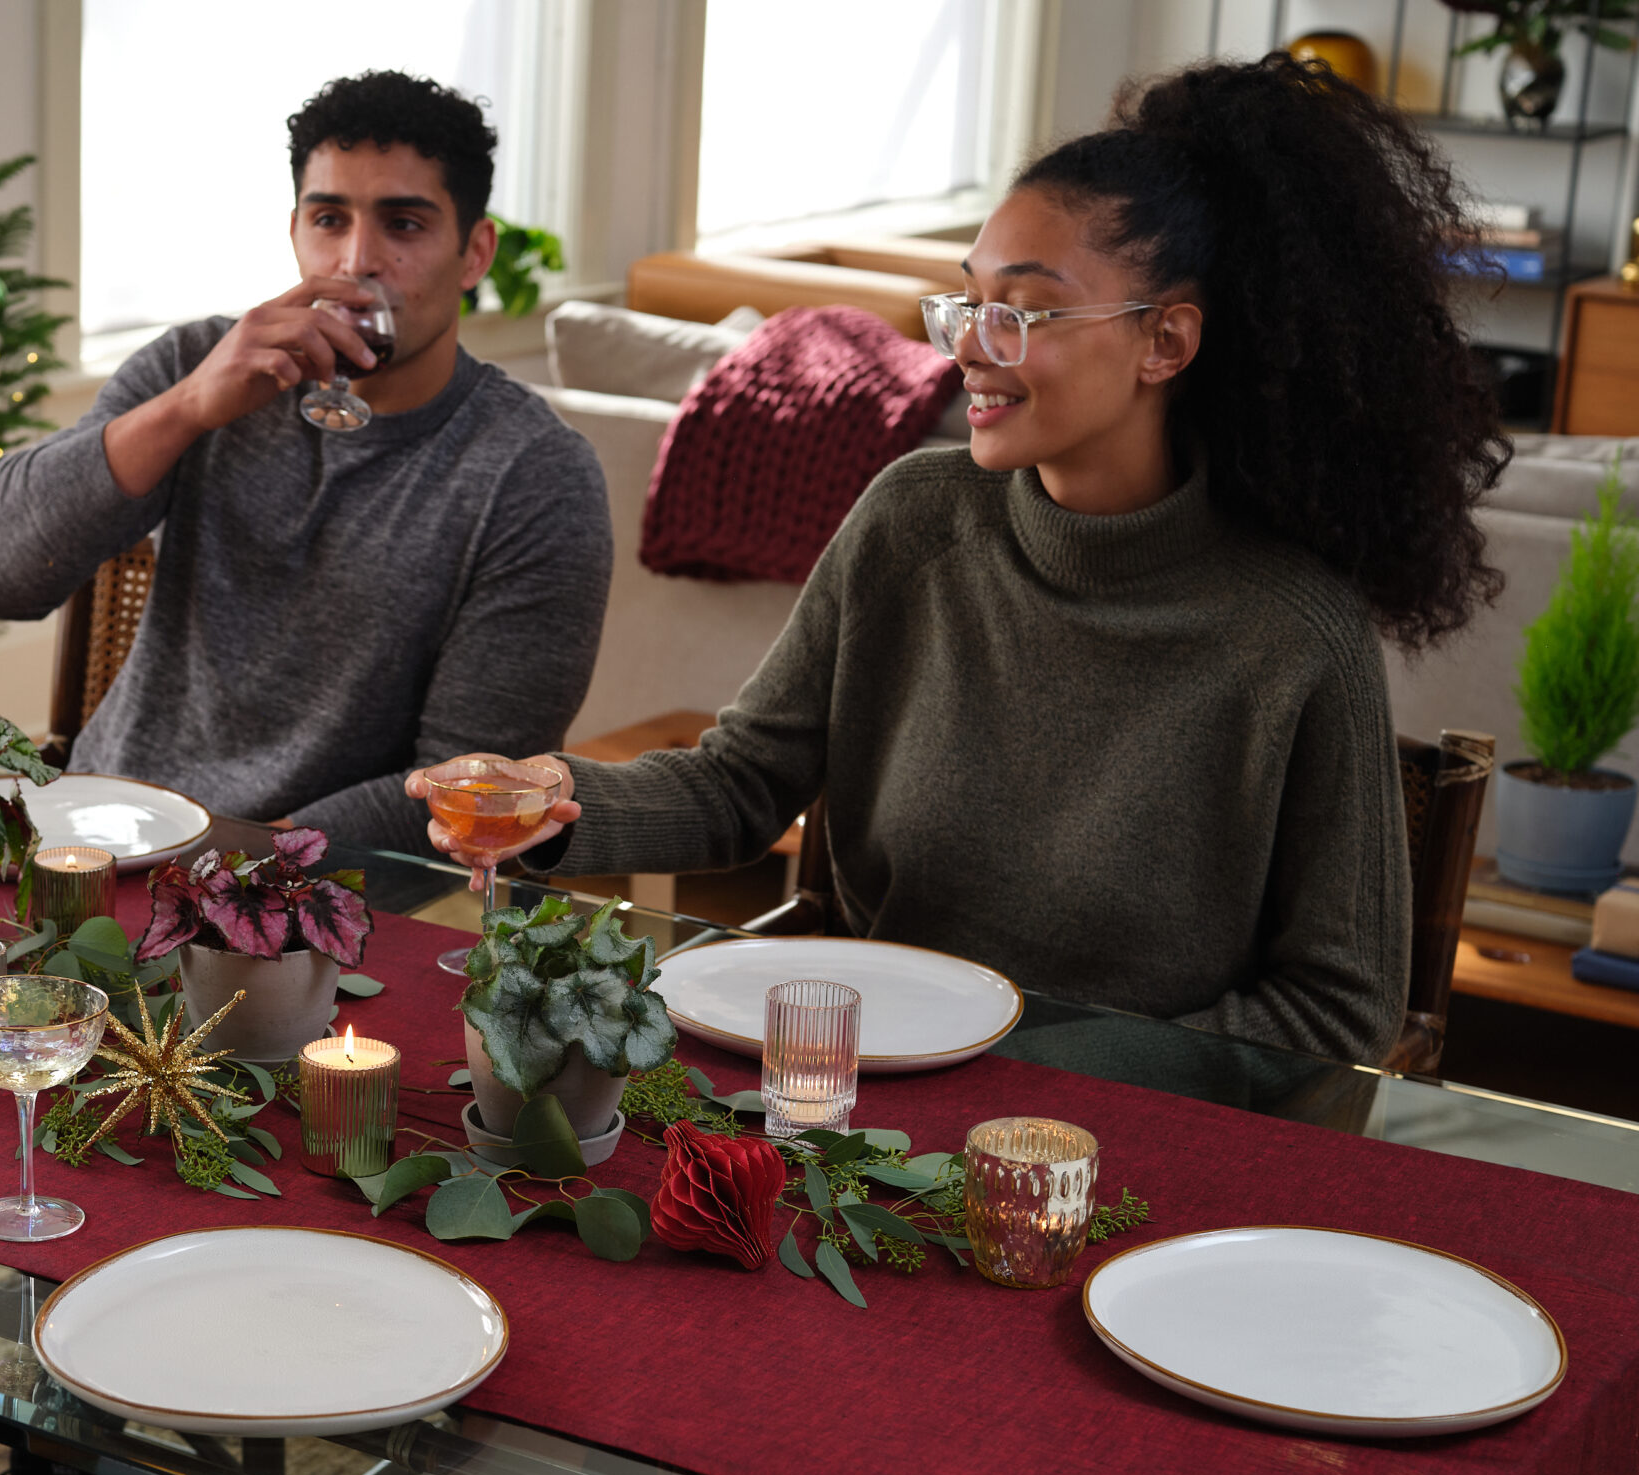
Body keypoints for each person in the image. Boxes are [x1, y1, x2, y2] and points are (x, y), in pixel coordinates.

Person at [414, 54, 1509, 1068]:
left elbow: (1337, 1008)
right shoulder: (914, 519)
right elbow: (742, 784)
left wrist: (1044, 1079)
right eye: (970, 300)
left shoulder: (1291, 632)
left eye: (1026, 311)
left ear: (1165, 343)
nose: (972, 346)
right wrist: (551, 800)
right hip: (856, 1107)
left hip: (1122, 1150)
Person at [0, 68, 613, 860]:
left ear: (475, 253)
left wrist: (220, 869)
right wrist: (188, 408)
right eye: (330, 218)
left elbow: (463, 791)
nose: (358, 260)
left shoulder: (534, 477)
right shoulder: (197, 365)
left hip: (315, 896)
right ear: (294, 231)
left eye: (404, 225)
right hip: (96, 839)